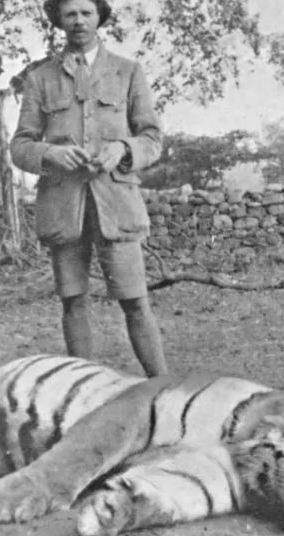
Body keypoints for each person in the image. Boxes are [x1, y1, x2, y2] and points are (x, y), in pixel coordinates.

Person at [10, 0, 168, 376]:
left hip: (117, 204)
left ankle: (163, 387)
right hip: (64, 206)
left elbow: (153, 139)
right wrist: (50, 154)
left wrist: (122, 149)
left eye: (86, 12)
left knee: (134, 300)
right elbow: (20, 146)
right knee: (73, 301)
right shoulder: (39, 78)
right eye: (70, 14)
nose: (78, 21)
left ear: (100, 18)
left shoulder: (128, 72)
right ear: (58, 21)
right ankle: (85, 390)